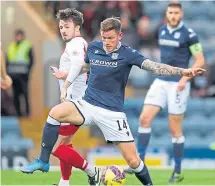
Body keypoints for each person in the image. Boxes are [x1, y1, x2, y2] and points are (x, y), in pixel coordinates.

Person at [21, 17, 205, 186]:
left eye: (110, 38)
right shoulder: (94, 47)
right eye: (104, 38)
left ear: (120, 35)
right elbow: (86, 67)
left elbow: (155, 67)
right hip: (87, 104)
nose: (107, 43)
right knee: (55, 113)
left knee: (133, 161)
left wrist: (182, 71)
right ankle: (43, 162)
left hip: (112, 113)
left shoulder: (128, 54)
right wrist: (66, 75)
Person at [124, 2, 205, 184]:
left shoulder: (189, 35)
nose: (173, 16)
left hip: (178, 83)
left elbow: (200, 60)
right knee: (145, 119)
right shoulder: (161, 30)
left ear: (181, 14)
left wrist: (185, 79)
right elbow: (145, 41)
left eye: (176, 13)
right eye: (170, 13)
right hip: (161, 81)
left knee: (174, 128)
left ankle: (177, 171)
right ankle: (139, 163)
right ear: (166, 14)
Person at [21, 8, 99, 186]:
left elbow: (79, 63)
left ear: (77, 27)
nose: (62, 30)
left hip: (77, 104)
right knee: (66, 144)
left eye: (66, 26)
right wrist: (64, 75)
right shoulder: (78, 44)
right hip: (76, 102)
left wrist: (65, 86)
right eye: (61, 26)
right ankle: (64, 182)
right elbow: (81, 68)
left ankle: (92, 171)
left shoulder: (75, 44)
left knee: (57, 146)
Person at [6, 29, 34, 116]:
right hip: (13, 75)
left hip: (23, 75)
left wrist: (28, 72)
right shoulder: (11, 46)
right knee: (15, 95)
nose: (18, 37)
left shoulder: (27, 45)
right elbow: (7, 61)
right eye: (17, 35)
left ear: (23, 36)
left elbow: (31, 60)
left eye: (20, 35)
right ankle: (18, 114)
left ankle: (27, 113)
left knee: (25, 94)